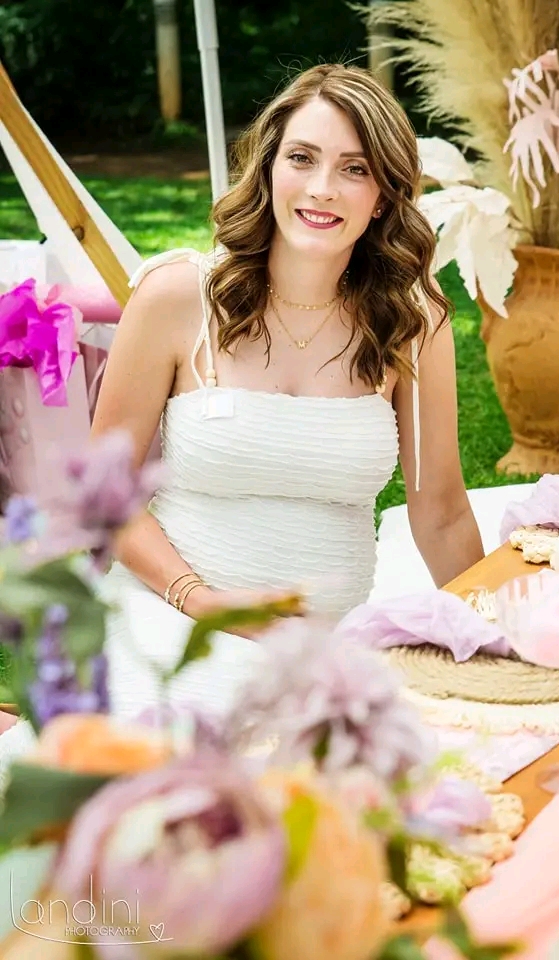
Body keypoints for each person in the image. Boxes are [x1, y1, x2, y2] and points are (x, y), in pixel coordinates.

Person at [92, 63, 484, 719]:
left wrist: (492, 640)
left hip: (327, 654)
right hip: (172, 626)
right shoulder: (178, 298)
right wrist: (201, 601)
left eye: (355, 169)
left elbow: (440, 511)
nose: (322, 188)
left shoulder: (413, 322)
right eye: (302, 158)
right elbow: (105, 492)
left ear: (383, 196)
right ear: (270, 167)